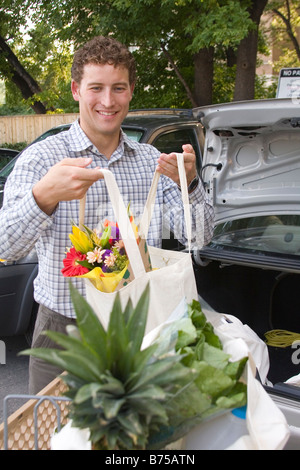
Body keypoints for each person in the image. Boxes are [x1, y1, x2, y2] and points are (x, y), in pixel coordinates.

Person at [0, 36, 214, 393]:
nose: (108, 101)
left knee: (133, 436)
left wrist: (190, 183)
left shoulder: (151, 161)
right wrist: (44, 196)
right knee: (55, 438)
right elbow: (5, 244)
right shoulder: (41, 158)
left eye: (118, 88)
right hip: (64, 329)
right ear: (75, 90)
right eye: (96, 87)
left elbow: (200, 238)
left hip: (142, 323)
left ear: (131, 91)